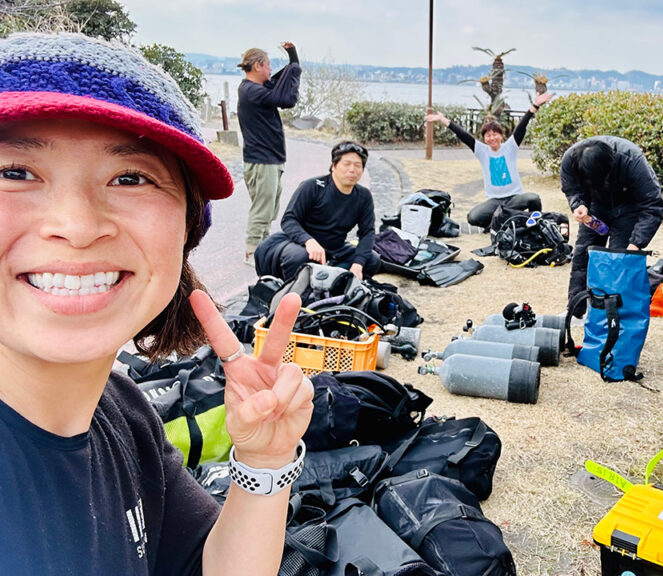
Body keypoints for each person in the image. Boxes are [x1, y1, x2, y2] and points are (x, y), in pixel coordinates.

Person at [0, 33, 313, 574]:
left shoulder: (122, 410)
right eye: (14, 173)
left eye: (131, 178)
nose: (76, 227)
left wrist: (265, 461)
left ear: (185, 232)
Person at [560, 136, 663, 312]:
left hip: (627, 206)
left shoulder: (632, 160)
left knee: (618, 262)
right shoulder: (570, 160)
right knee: (583, 255)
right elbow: (571, 188)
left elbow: (653, 205)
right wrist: (578, 204)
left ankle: (612, 314)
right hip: (595, 206)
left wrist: (636, 242)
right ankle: (576, 310)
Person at [255, 141, 381, 282]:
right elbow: (289, 220)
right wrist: (309, 241)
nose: (352, 169)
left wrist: (358, 264)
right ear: (334, 166)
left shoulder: (363, 196)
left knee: (372, 260)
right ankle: (295, 294)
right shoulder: (312, 187)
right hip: (300, 243)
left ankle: (336, 285)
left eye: (358, 165)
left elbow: (367, 233)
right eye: (346, 164)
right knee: (299, 257)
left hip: (335, 248)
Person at [425, 90, 552, 228]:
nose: (492, 138)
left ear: (501, 136)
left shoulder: (510, 146)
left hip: (514, 198)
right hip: (494, 202)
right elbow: (463, 135)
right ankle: (502, 220)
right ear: (484, 139)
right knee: (473, 217)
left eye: (495, 134)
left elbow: (522, 126)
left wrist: (534, 106)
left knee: (534, 199)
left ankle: (535, 225)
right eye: (488, 136)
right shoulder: (482, 151)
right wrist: (443, 120)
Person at [237, 42, 302, 266]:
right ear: (257, 66)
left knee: (270, 208)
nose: (270, 71)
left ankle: (261, 249)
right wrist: (294, 64)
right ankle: (252, 252)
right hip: (261, 160)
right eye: (268, 66)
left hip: (270, 159)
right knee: (262, 209)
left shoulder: (257, 90)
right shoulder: (251, 91)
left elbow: (279, 88)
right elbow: (284, 98)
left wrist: (293, 57)